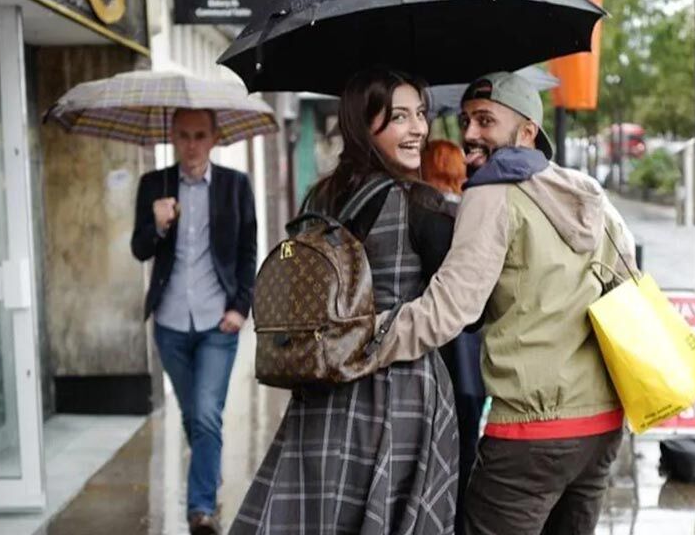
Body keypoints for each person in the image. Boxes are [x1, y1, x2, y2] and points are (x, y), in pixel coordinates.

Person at [376, 72, 638, 535]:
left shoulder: (493, 191)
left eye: (485, 121)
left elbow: (449, 308)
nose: (470, 135)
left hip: (531, 432)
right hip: (601, 428)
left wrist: (365, 340)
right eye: (465, 121)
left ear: (526, 133)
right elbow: (630, 289)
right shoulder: (590, 195)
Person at [230, 68, 459, 535]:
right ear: (363, 123)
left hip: (322, 386)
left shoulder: (320, 195)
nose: (417, 128)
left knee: (322, 512)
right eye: (398, 117)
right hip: (398, 390)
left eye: (420, 113)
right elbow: (462, 315)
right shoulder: (423, 205)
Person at [131, 108, 257, 535]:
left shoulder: (235, 187)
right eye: (182, 135)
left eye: (199, 135)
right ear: (172, 134)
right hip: (169, 323)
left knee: (205, 414)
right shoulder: (155, 185)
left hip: (217, 322)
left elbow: (247, 250)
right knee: (193, 416)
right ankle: (208, 465)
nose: (190, 144)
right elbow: (139, 249)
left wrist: (242, 306)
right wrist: (158, 225)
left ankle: (200, 509)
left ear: (215, 137)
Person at [420, 139, 486, 534]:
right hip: (472, 357)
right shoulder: (470, 216)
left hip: (435, 354)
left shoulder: (426, 216)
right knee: (467, 447)